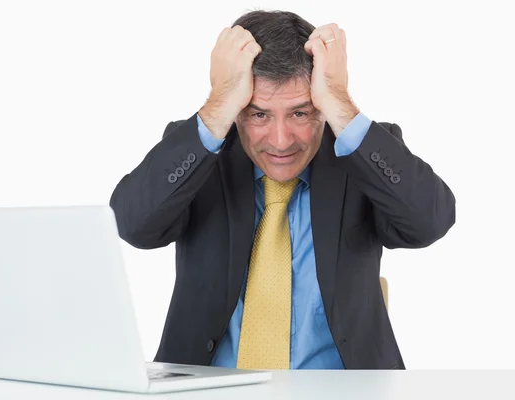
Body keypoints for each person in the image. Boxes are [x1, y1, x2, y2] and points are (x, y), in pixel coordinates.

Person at [109, 10, 456, 370]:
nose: (280, 140)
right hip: (208, 389)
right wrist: (218, 104)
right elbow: (133, 225)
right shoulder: (202, 153)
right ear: (237, 110)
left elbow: (429, 222)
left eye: (301, 113)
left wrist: (340, 102)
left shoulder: (359, 154)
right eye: (259, 114)